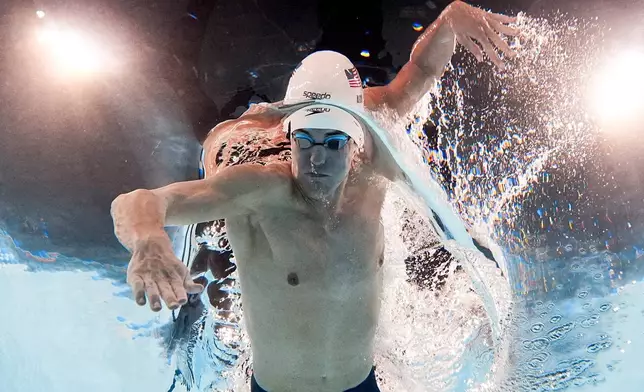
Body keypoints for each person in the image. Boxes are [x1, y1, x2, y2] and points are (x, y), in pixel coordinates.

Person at [110, 2, 518, 391]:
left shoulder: (375, 168)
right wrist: (149, 240)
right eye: (304, 141)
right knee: (213, 128)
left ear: (356, 143)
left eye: (334, 143)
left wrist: (451, 18)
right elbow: (142, 201)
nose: (316, 159)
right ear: (288, 136)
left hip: (362, 385)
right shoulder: (259, 190)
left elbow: (421, 71)